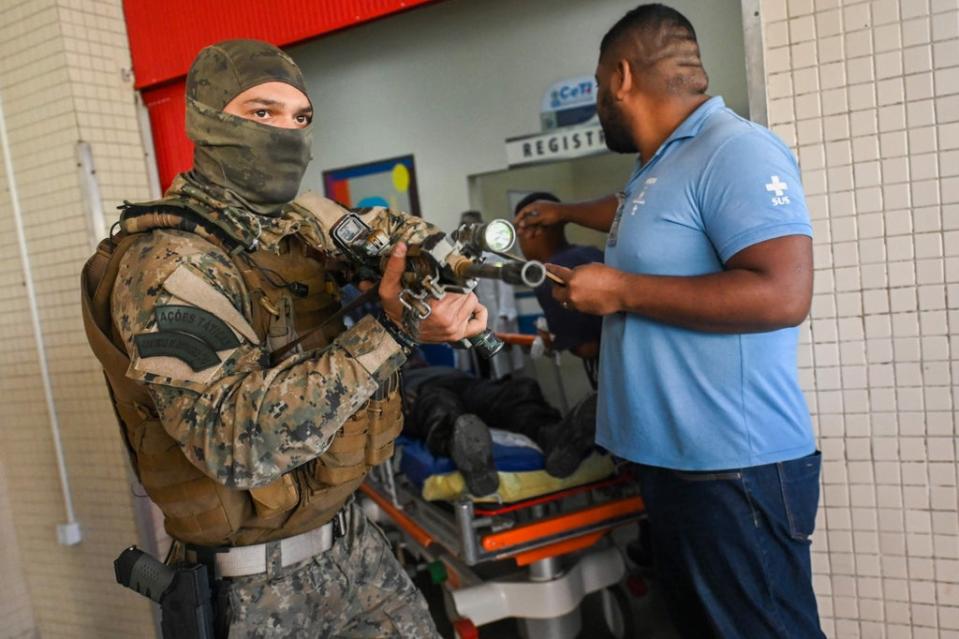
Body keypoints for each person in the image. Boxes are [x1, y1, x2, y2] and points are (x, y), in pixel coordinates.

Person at [81, 40, 488, 638]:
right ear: (206, 120)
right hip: (251, 587)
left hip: (354, 550)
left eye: (301, 118)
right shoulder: (170, 263)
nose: (288, 134)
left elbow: (392, 233)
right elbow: (235, 443)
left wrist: (443, 264)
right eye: (263, 113)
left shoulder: (300, 221)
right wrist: (395, 329)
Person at [516, 5, 823, 638]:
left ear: (620, 77)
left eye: (601, 87)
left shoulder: (736, 149)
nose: (601, 101)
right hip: (676, 463)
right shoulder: (658, 165)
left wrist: (622, 289)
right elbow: (642, 211)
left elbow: (783, 294)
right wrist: (565, 212)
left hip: (730, 467)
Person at [513, 191, 604, 386]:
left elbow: (587, 348)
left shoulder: (549, 274)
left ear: (531, 232)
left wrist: (551, 342)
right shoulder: (591, 252)